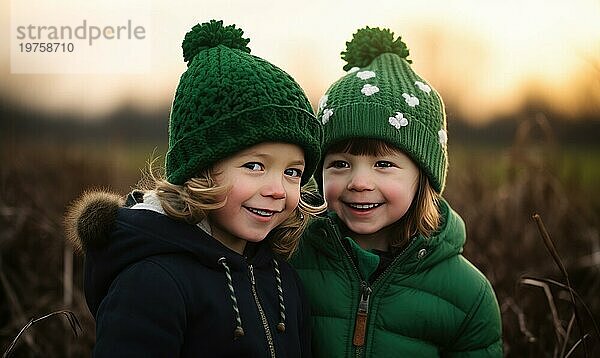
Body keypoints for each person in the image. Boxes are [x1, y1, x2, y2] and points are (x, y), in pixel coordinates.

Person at [64, 19, 323, 357]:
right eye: (254, 166)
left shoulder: (281, 277)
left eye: (293, 171)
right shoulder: (152, 281)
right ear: (199, 172)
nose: (278, 189)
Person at [290, 26, 503, 357]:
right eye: (340, 164)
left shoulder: (468, 295)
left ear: (423, 177)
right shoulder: (289, 258)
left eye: (383, 164)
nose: (359, 182)